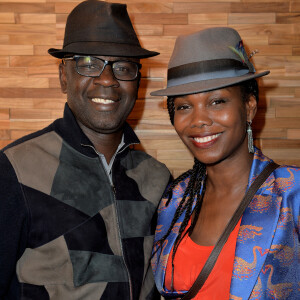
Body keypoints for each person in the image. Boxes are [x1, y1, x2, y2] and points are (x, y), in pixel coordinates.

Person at [0, 1, 171, 299]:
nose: (107, 79)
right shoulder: (15, 170)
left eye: (123, 67)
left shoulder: (156, 178)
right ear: (64, 76)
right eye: (89, 64)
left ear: (138, 83)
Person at [151, 27, 299, 300]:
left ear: (250, 107)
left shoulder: (292, 193)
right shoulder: (175, 198)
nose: (198, 120)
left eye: (217, 101)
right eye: (184, 106)